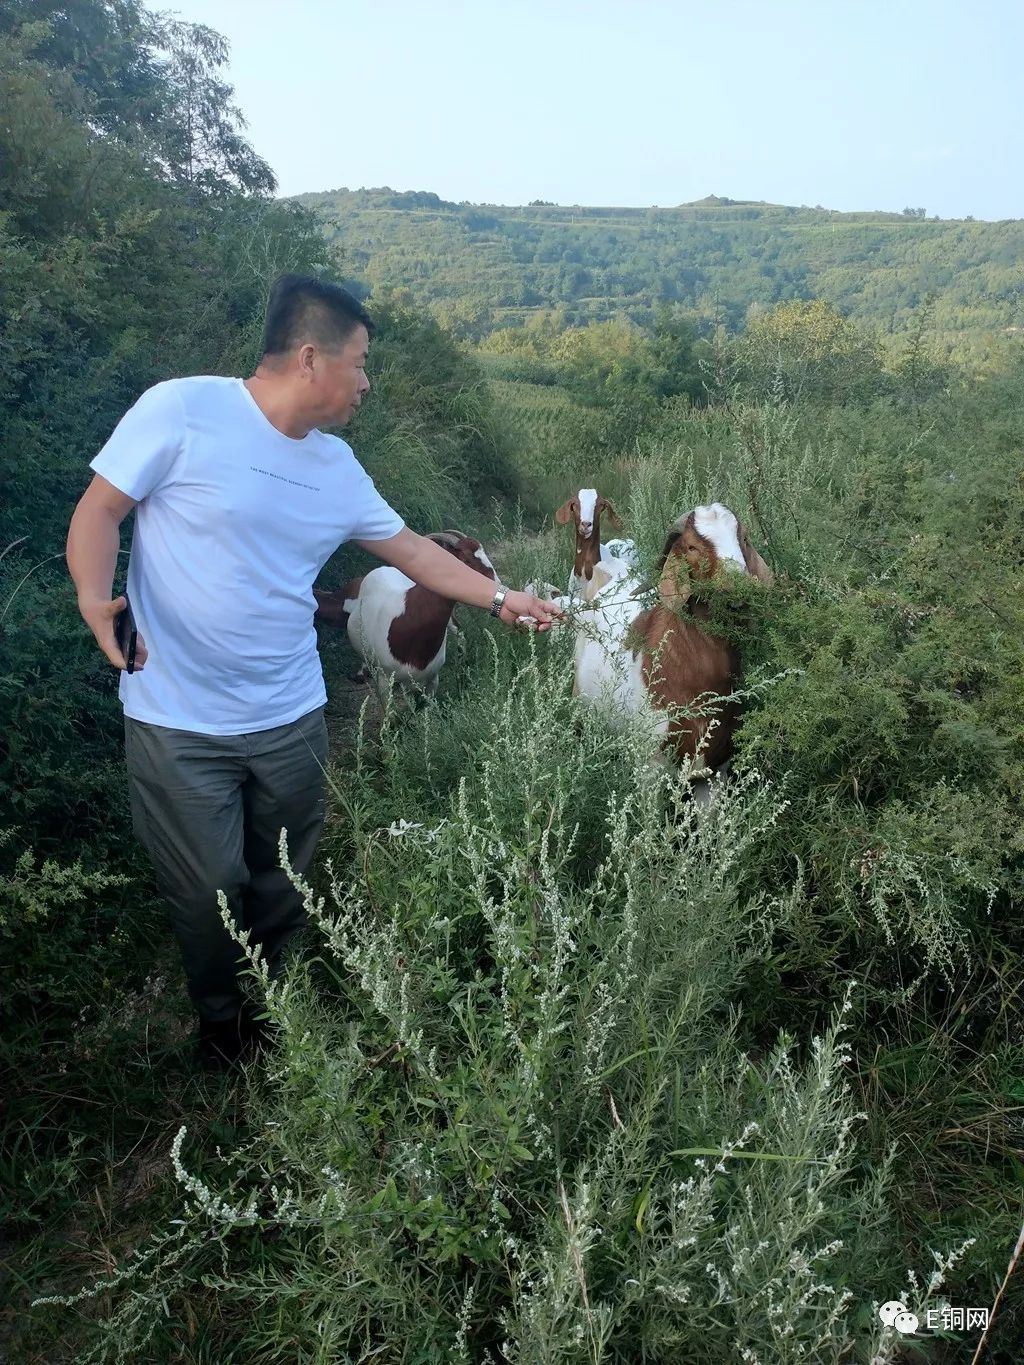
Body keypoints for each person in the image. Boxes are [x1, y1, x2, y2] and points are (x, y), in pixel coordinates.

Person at [66, 274, 561, 1070]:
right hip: (176, 718)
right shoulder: (182, 411)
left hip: (290, 711)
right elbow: (100, 510)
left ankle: (277, 1005)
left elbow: (412, 551)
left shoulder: (336, 468)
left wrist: (502, 596)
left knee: (284, 876)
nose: (367, 382)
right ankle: (223, 1027)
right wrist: (96, 599)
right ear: (310, 359)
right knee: (208, 892)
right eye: (360, 362)